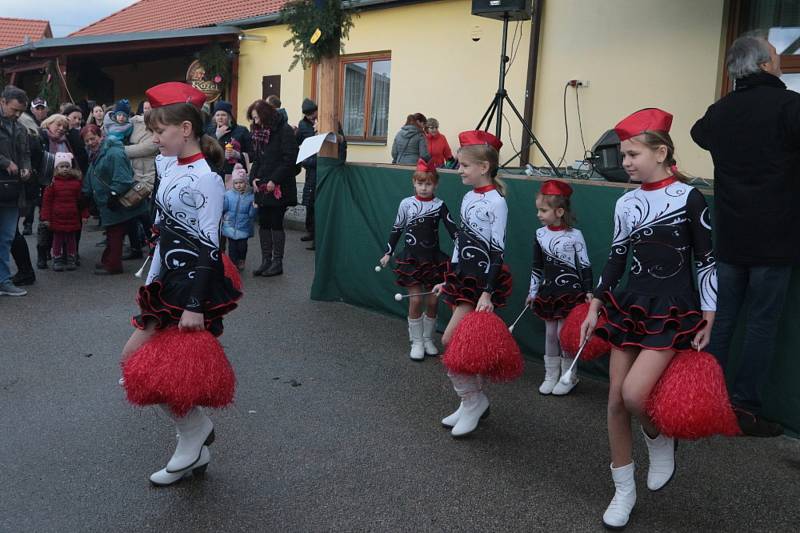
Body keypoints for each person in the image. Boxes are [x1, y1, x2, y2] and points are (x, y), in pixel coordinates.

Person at [578, 109, 716, 530]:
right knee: (616, 400)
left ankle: (659, 438)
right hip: (631, 304)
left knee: (637, 395)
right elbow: (617, 257)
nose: (625, 162)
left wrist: (710, 314)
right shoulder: (626, 202)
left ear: (661, 152)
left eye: (633, 154)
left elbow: (707, 260)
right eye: (623, 155)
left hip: (673, 307)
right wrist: (595, 305)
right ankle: (624, 489)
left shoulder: (689, 197)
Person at [121, 81, 241, 485]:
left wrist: (194, 305)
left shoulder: (206, 180)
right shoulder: (169, 164)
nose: (155, 138)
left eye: (161, 131)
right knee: (137, 365)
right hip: (164, 280)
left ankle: (192, 438)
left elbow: (210, 245)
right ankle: (194, 437)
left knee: (148, 367)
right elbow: (162, 227)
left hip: (187, 285)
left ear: (185, 129)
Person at [691, 34, 798, 438]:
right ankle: (743, 410)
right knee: (761, 325)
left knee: (722, 322)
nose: (782, 61)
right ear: (764, 65)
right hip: (777, 237)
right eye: (776, 56)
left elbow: (698, 133)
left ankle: (707, 403)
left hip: (731, 235)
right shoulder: (790, 107)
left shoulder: (720, 112)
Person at [431, 130, 512, 437]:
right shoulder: (467, 197)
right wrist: (447, 278)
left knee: (450, 342)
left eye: (465, 165)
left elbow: (497, 250)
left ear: (484, 167)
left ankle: (474, 400)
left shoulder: (497, 202)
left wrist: (488, 292)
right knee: (465, 347)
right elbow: (461, 241)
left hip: (480, 283)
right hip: (461, 277)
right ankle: (469, 403)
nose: (460, 170)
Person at [380, 158, 458, 361]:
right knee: (415, 300)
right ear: (414, 182)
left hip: (433, 260)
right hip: (412, 260)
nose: (424, 188)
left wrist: (465, 248)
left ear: (436, 184)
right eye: (420, 183)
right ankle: (416, 342)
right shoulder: (406, 204)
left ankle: (427, 338)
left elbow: (453, 232)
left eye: (428, 184)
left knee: (432, 302)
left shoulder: (440, 205)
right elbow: (397, 228)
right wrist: (388, 252)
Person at [526, 180, 592, 395]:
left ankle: (569, 376)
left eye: (543, 210)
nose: (539, 214)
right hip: (550, 291)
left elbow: (584, 264)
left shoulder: (574, 235)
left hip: (571, 293)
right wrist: (532, 292)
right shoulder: (540, 234)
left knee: (565, 334)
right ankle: (550, 375)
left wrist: (589, 291)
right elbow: (537, 265)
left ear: (560, 211)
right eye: (538, 210)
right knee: (550, 334)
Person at [80, 124, 149, 275]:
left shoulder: (114, 153)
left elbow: (123, 179)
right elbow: (91, 175)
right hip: (109, 201)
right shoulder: (98, 153)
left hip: (118, 200)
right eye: (87, 141)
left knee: (115, 233)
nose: (91, 143)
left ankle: (113, 265)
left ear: (101, 136)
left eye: (93, 138)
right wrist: (86, 194)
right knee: (113, 232)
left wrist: (113, 194)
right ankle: (109, 260)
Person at [250, 100, 299, 277]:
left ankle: (277, 262)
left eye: (256, 118)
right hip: (262, 184)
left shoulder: (284, 130)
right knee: (264, 222)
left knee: (276, 222)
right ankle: (266, 261)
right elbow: (256, 158)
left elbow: (289, 159)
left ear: (264, 115)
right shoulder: (258, 132)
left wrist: (274, 180)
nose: (255, 122)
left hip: (280, 186)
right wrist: (253, 178)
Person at [36, 113, 88, 270]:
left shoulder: (68, 140)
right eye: (57, 125)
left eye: (64, 127)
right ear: (48, 123)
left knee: (73, 220)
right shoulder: (41, 138)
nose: (61, 129)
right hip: (46, 184)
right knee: (47, 223)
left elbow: (78, 157)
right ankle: (44, 254)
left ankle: (71, 254)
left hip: (69, 184)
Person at [0, 85, 32, 296]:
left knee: (6, 237)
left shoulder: (20, 127)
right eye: (14, 109)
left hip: (12, 191)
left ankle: (3, 281)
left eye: (21, 111)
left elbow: (26, 152)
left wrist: (26, 167)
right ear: (2, 101)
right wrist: (4, 162)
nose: (18, 114)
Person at [122, 99, 159, 261]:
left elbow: (149, 147)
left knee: (146, 215)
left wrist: (122, 149)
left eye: (151, 107)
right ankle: (135, 247)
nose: (147, 110)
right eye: (145, 108)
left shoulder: (159, 125)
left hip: (149, 175)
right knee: (131, 213)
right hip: (131, 173)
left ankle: (154, 246)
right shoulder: (133, 123)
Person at [40, 152, 85, 271]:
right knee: (57, 239)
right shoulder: (52, 184)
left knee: (71, 239)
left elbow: (80, 200)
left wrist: (84, 213)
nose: (64, 169)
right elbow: (46, 203)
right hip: (57, 217)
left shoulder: (76, 183)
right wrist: (46, 218)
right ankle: (57, 258)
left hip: (72, 216)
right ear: (56, 168)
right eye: (61, 166)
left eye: (67, 166)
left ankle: (71, 257)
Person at [222, 164, 257, 271]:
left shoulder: (250, 197)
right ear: (233, 184)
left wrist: (254, 207)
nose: (238, 185)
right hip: (230, 226)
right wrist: (221, 201)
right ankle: (233, 265)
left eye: (241, 183)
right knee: (232, 248)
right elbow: (224, 208)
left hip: (244, 227)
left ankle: (241, 259)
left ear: (245, 183)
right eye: (236, 183)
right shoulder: (228, 195)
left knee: (242, 247)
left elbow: (251, 215)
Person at [205, 100, 250, 180]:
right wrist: (216, 136)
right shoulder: (209, 131)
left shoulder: (241, 131)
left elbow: (252, 155)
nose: (220, 118)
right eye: (217, 115)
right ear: (214, 117)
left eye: (223, 115)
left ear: (229, 116)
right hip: (215, 175)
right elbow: (204, 152)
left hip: (236, 177)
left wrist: (237, 155)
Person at [296, 98, 318, 247]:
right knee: (309, 202)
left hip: (321, 166)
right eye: (308, 114)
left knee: (317, 203)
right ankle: (310, 231)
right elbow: (297, 142)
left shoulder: (325, 121)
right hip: (310, 166)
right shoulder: (303, 125)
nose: (312, 116)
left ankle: (317, 236)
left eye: (313, 113)